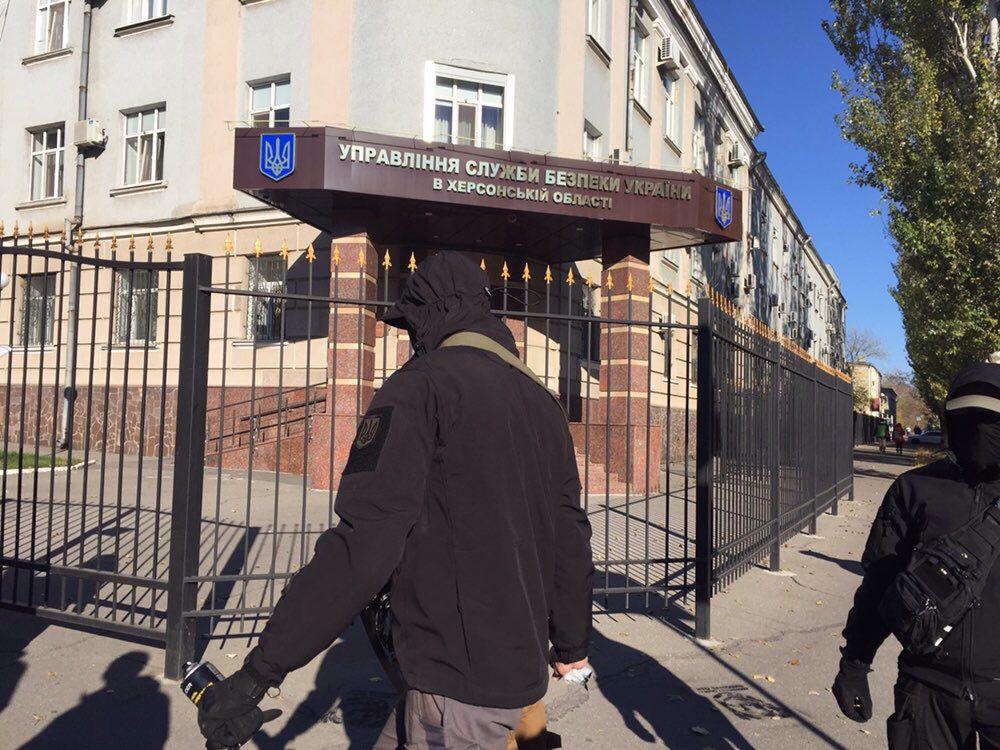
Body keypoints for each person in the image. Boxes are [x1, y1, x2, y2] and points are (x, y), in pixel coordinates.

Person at [196, 252, 594, 750]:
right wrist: (572, 643)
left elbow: (361, 546)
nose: (409, 339)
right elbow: (570, 532)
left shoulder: (420, 388)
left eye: (411, 325)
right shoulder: (542, 403)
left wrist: (257, 674)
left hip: (455, 688)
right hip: (516, 673)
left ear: (429, 315)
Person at [832, 362, 1000, 748]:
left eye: (992, 420)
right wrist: (855, 661)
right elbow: (880, 581)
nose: (980, 431)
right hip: (927, 689)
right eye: (968, 418)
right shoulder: (915, 489)